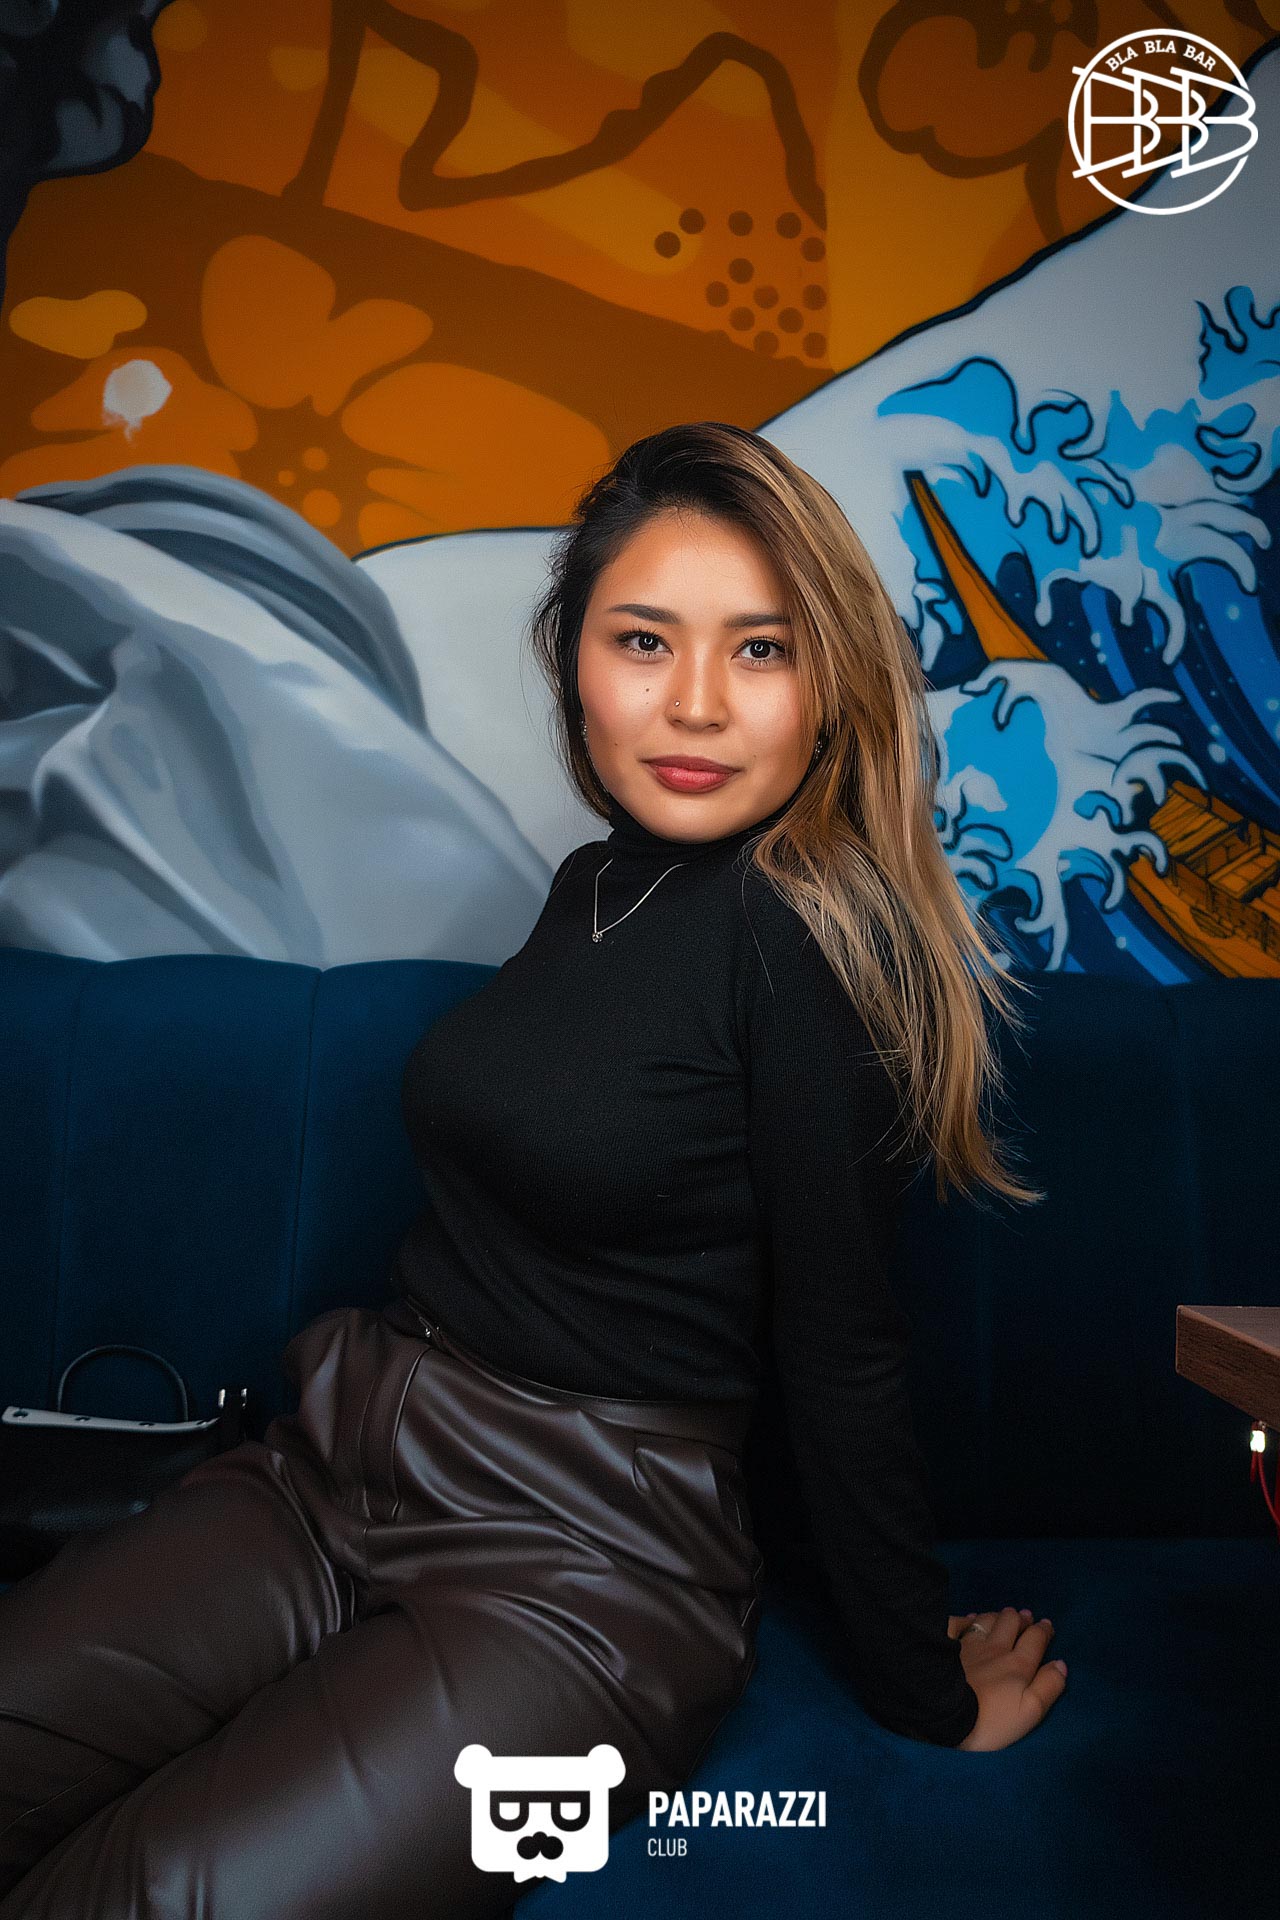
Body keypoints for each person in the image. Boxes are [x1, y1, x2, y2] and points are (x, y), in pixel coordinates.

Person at [0, 422, 1066, 1919]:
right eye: (645, 640)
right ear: (576, 659)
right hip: (336, 1463)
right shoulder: (602, 880)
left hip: (587, 1571)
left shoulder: (809, 945)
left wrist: (923, 1689)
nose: (696, 704)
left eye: (761, 649)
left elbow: (843, 1350)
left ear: (831, 679)